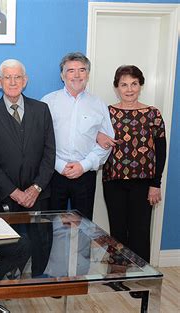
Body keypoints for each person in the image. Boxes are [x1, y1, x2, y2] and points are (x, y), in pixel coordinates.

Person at [97, 65, 166, 263]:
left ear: (141, 85)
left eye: (134, 84)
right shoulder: (107, 113)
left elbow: (161, 151)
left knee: (140, 231)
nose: (129, 89)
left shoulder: (153, 114)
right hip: (113, 180)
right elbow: (95, 137)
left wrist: (156, 183)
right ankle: (117, 274)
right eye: (124, 84)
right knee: (117, 230)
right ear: (116, 87)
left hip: (144, 183)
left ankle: (140, 277)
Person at [41, 52, 114, 220]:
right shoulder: (47, 102)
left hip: (85, 176)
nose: (77, 75)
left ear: (88, 74)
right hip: (53, 174)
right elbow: (39, 141)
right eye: (71, 70)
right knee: (50, 225)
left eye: (82, 70)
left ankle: (81, 249)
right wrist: (59, 165)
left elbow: (107, 142)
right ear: (62, 75)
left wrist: (84, 165)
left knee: (85, 226)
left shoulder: (98, 104)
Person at [0, 59, 55, 212]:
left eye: (18, 77)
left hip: (39, 197)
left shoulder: (42, 110)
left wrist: (36, 188)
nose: (13, 82)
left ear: (25, 81)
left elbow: (50, 153)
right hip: (5, 198)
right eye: (7, 77)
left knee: (40, 237)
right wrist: (14, 192)